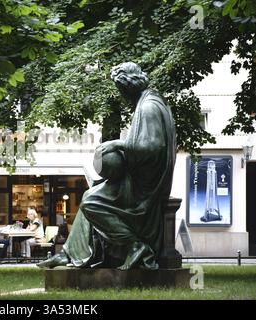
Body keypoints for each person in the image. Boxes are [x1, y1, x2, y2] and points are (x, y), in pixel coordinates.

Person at [37, 62, 176, 270]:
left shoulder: (148, 107)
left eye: (120, 89)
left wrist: (117, 144)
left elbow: (151, 146)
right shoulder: (149, 102)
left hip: (144, 188)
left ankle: (136, 245)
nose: (120, 95)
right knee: (90, 195)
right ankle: (68, 253)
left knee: (92, 201)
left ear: (127, 86)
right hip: (139, 180)